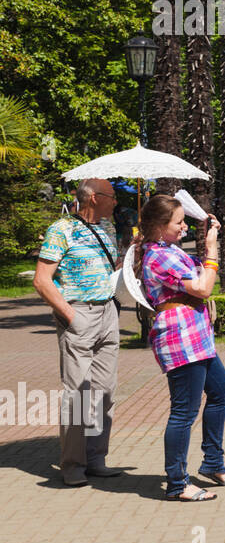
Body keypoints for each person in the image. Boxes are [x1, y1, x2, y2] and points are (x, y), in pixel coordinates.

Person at [135, 195, 225, 500]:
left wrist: (207, 244)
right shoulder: (158, 256)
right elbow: (204, 286)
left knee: (221, 391)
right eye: (178, 222)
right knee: (184, 412)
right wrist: (212, 249)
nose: (183, 227)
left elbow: (200, 277)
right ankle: (178, 483)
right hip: (180, 339)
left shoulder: (167, 249)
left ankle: (212, 462)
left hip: (196, 336)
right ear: (159, 226)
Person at [32, 178, 123, 487]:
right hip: (78, 312)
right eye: (112, 196)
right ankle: (72, 466)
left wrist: (130, 258)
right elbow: (42, 280)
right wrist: (71, 315)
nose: (116, 202)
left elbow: (109, 267)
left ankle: (96, 460)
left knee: (104, 392)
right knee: (79, 395)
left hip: (108, 312)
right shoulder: (62, 229)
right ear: (95, 198)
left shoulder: (109, 228)